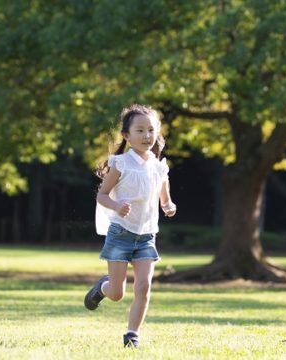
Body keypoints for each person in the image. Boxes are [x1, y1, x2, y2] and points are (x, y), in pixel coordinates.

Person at [84, 104, 176, 349]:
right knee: (117, 294)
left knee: (144, 287)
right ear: (126, 135)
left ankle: (132, 334)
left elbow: (164, 198)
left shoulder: (159, 166)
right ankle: (102, 288)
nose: (147, 136)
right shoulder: (121, 164)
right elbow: (102, 195)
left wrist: (168, 206)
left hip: (146, 236)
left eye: (151, 130)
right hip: (120, 235)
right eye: (140, 130)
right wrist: (116, 205)